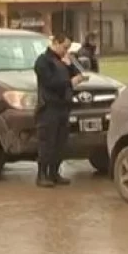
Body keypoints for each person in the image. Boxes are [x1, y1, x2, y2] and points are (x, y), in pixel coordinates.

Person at [34, 33, 85, 187]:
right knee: (47, 142)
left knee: (60, 142)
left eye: (68, 48)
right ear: (55, 43)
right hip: (49, 108)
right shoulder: (43, 61)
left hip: (63, 107)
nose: (65, 51)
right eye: (64, 47)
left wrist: (70, 63)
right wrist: (69, 82)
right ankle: (42, 174)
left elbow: (78, 73)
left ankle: (54, 172)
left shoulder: (62, 61)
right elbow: (50, 82)